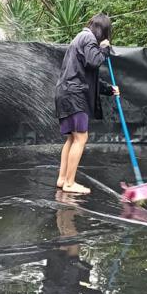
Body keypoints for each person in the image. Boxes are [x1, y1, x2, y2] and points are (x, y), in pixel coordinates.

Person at [54, 14, 120, 194]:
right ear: (103, 30)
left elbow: (86, 74)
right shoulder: (88, 38)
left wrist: (109, 89)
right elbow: (95, 61)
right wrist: (105, 49)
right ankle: (69, 183)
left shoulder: (81, 39)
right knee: (81, 138)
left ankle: (62, 179)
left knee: (72, 138)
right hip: (75, 95)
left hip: (67, 93)